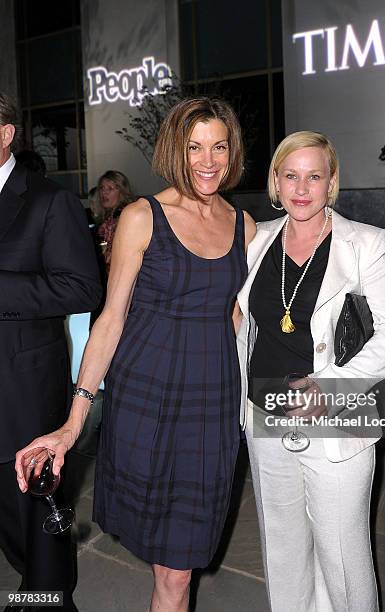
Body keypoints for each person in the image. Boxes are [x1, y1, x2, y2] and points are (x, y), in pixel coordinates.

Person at [16, 97, 256, 612]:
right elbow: (110, 320)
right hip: (147, 396)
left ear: (232, 150)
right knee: (168, 563)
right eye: (194, 147)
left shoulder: (245, 226)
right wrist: (73, 421)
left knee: (178, 568)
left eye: (219, 146)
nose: (208, 160)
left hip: (211, 404)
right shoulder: (142, 216)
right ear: (176, 150)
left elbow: (237, 318)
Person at [236, 131, 385, 611]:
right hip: (265, 414)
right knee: (284, 549)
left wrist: (331, 387)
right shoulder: (256, 241)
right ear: (275, 181)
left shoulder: (365, 243)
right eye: (290, 175)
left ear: (331, 183)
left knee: (342, 558)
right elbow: (240, 320)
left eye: (314, 176)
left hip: (336, 416)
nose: (301, 187)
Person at [0, 91, 102, 611]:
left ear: (5, 132)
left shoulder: (48, 199)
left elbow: (84, 288)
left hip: (22, 392)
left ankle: (48, 599)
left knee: (37, 525)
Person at [96, 170, 135, 274]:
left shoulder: (123, 216)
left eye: (110, 188)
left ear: (121, 192)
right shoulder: (108, 218)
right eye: (102, 188)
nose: (104, 192)